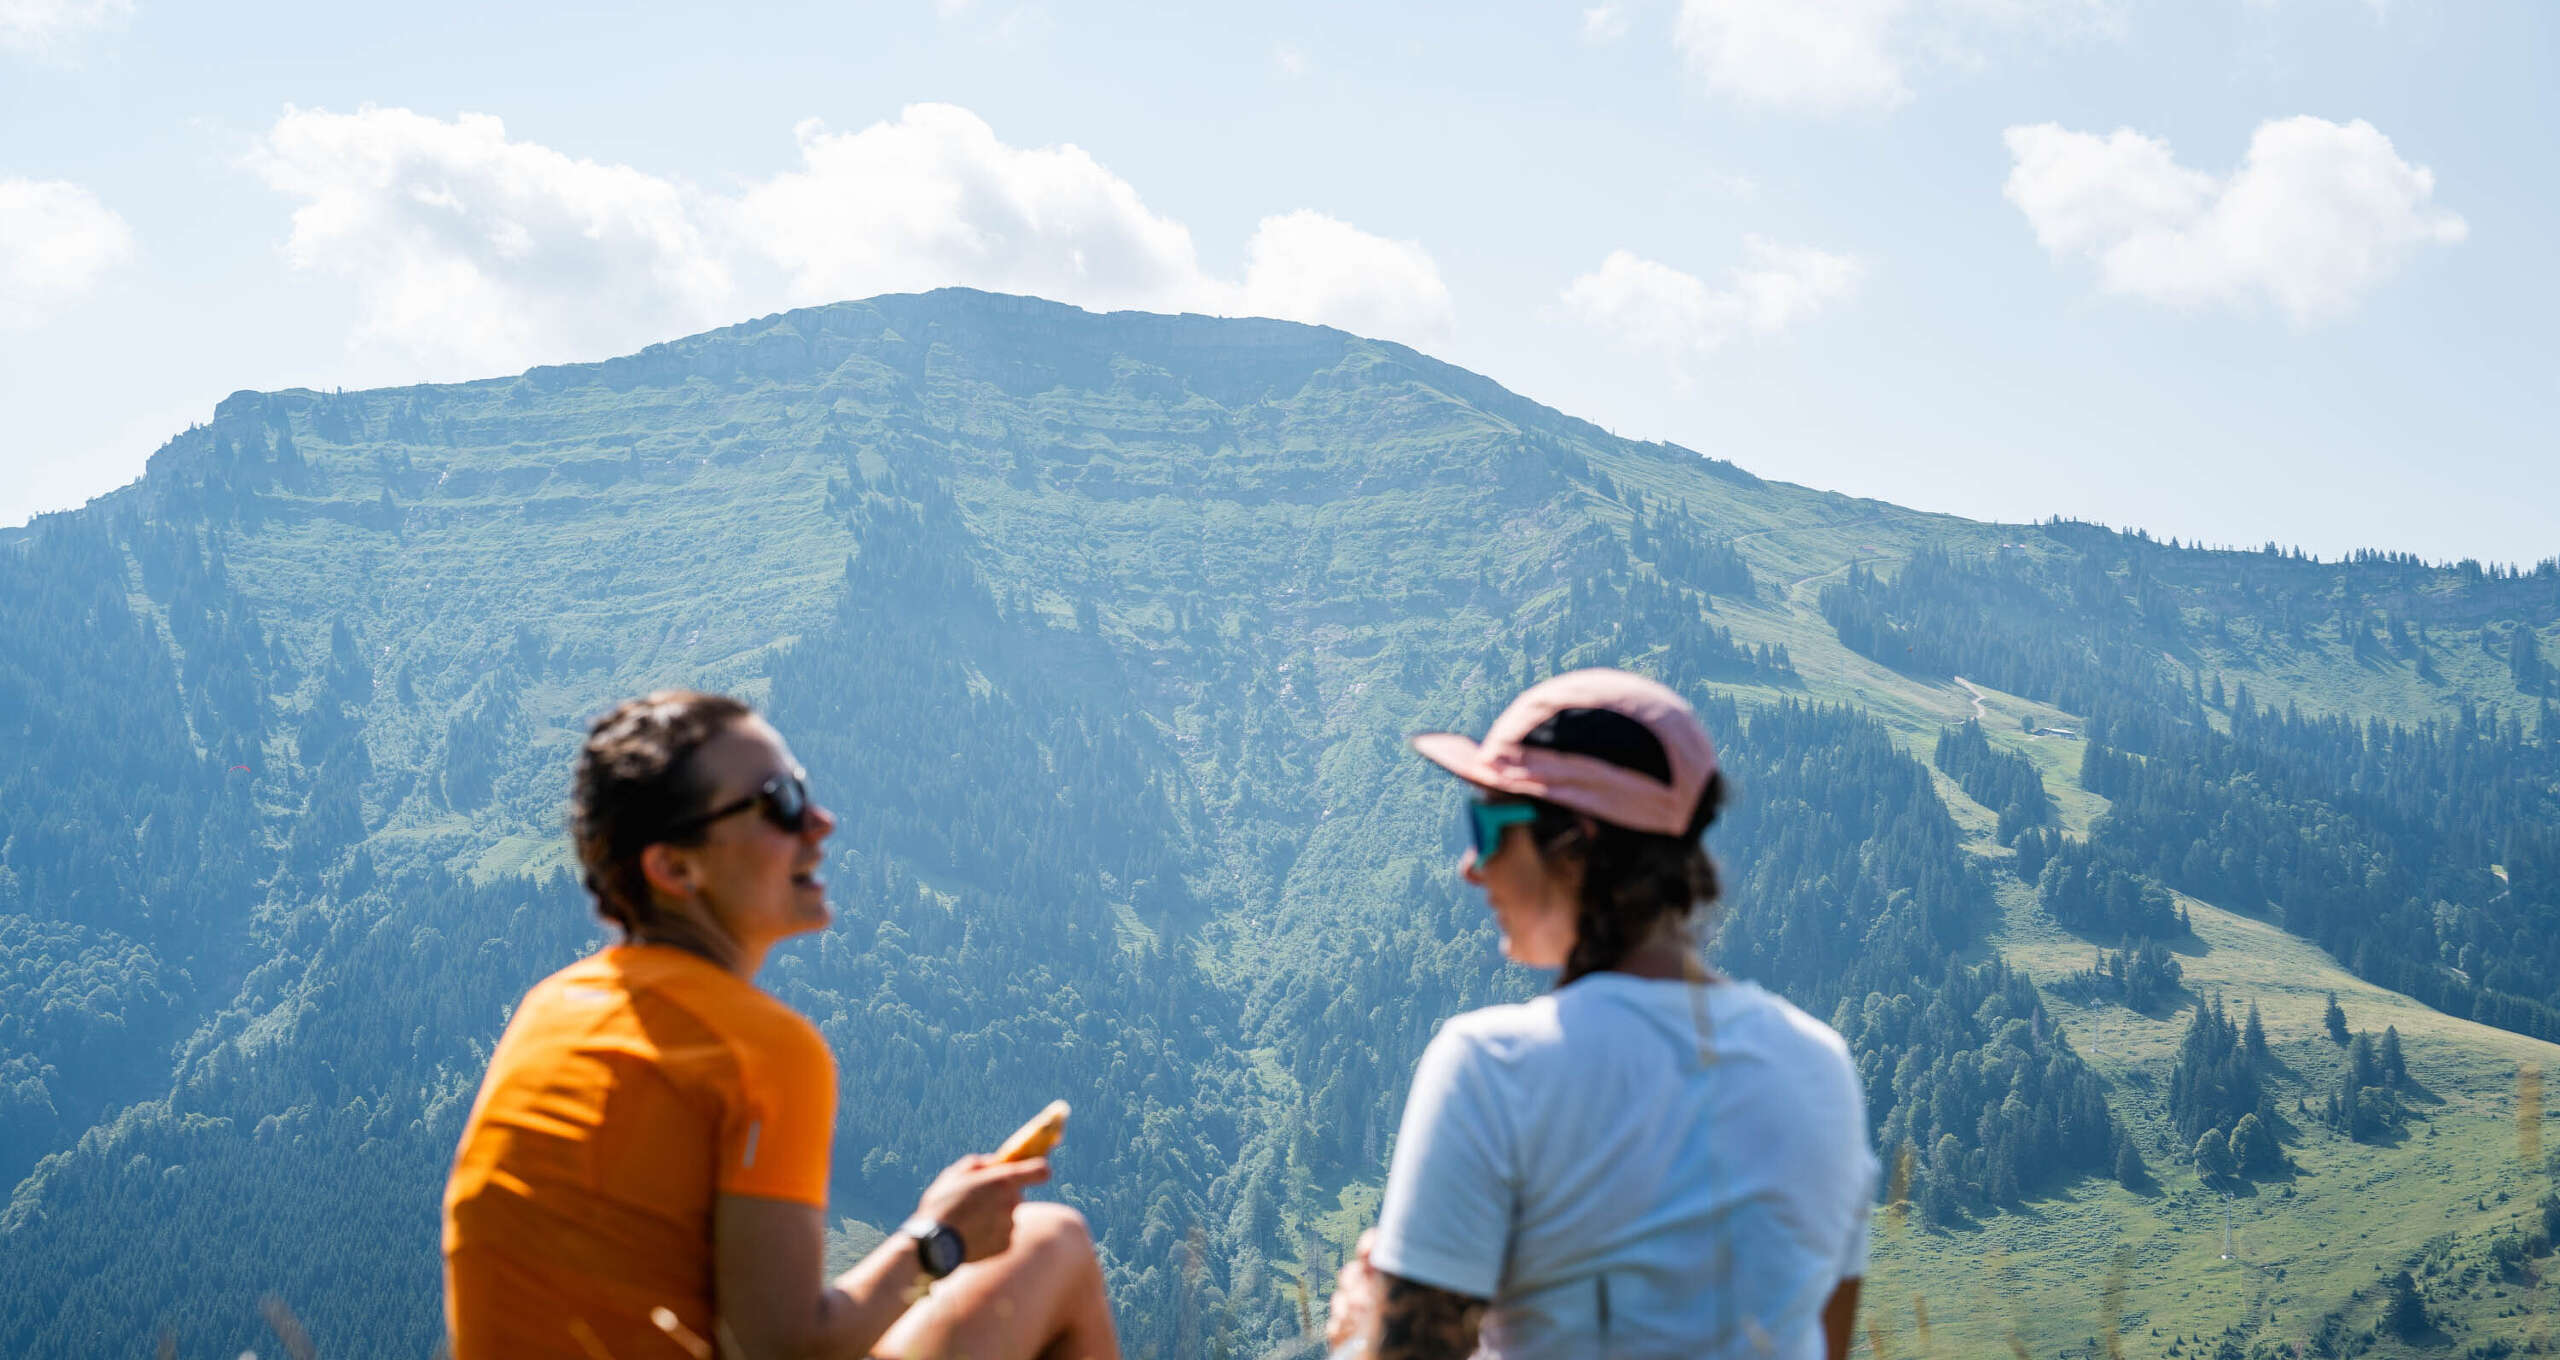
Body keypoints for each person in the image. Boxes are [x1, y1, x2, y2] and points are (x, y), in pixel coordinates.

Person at [443, 690, 1120, 1360]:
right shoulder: (760, 1051)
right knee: (1052, 1244)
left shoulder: (550, 1010)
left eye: (802, 790)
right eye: (780, 803)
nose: (820, 822)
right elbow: (780, 1350)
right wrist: (940, 1237)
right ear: (675, 867)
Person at [1327, 669, 1876, 1360]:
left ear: (1577, 842)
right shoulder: (1821, 1065)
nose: (1471, 866)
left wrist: (1360, 1331)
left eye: (1489, 826)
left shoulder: (1494, 1065)